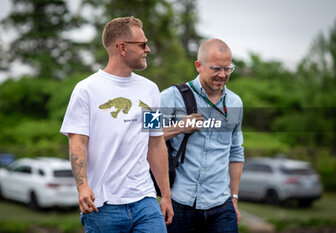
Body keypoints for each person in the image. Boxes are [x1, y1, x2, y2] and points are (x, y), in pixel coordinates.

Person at [60, 16, 173, 233]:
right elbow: (78, 143)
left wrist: (166, 195)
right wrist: (82, 186)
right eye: (142, 44)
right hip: (102, 206)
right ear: (122, 47)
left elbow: (156, 143)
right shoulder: (86, 90)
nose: (147, 49)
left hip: (145, 201)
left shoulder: (150, 90)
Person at [161, 38, 244, 233]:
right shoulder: (170, 96)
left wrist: (234, 198)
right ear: (199, 66)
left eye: (228, 69)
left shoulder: (235, 102)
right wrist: (180, 127)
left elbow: (236, 152)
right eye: (216, 68)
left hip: (221, 206)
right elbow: (143, 134)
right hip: (179, 204)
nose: (222, 75)